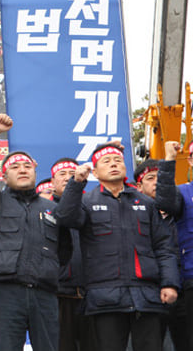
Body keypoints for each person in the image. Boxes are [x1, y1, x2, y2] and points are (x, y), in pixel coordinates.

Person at [56, 142, 179, 351]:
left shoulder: (146, 204)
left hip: (146, 297)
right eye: (106, 161)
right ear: (95, 171)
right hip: (104, 298)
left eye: (118, 160)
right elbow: (65, 217)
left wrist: (170, 283)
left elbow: (163, 246)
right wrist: (76, 183)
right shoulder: (86, 202)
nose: (114, 164)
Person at [0, 113, 71, 351]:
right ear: (4, 177)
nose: (23, 170)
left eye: (27, 166)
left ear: (36, 173)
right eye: (15, 167)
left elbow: (64, 249)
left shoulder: (51, 208)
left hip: (44, 293)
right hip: (8, 293)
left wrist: (49, 270)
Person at [133, 155, 187, 351]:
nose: (157, 182)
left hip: (183, 291)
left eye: (161, 177)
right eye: (151, 178)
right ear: (138, 186)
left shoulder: (183, 209)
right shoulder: (132, 214)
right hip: (148, 293)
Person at [49, 158, 98, 351]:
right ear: (52, 181)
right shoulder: (43, 209)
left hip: (92, 294)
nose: (68, 178)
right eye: (62, 174)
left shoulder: (91, 206)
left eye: (72, 174)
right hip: (58, 294)